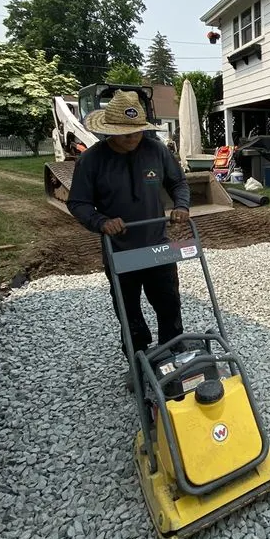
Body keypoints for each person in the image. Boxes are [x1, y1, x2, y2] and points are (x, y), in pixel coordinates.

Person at [67, 90, 190, 386]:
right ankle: (137, 363)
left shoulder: (156, 150)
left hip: (158, 246)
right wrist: (102, 221)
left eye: (137, 132)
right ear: (110, 132)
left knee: (170, 304)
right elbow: (78, 203)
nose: (133, 138)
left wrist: (181, 205)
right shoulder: (93, 161)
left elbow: (178, 182)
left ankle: (174, 357)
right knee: (129, 312)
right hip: (121, 251)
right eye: (125, 135)